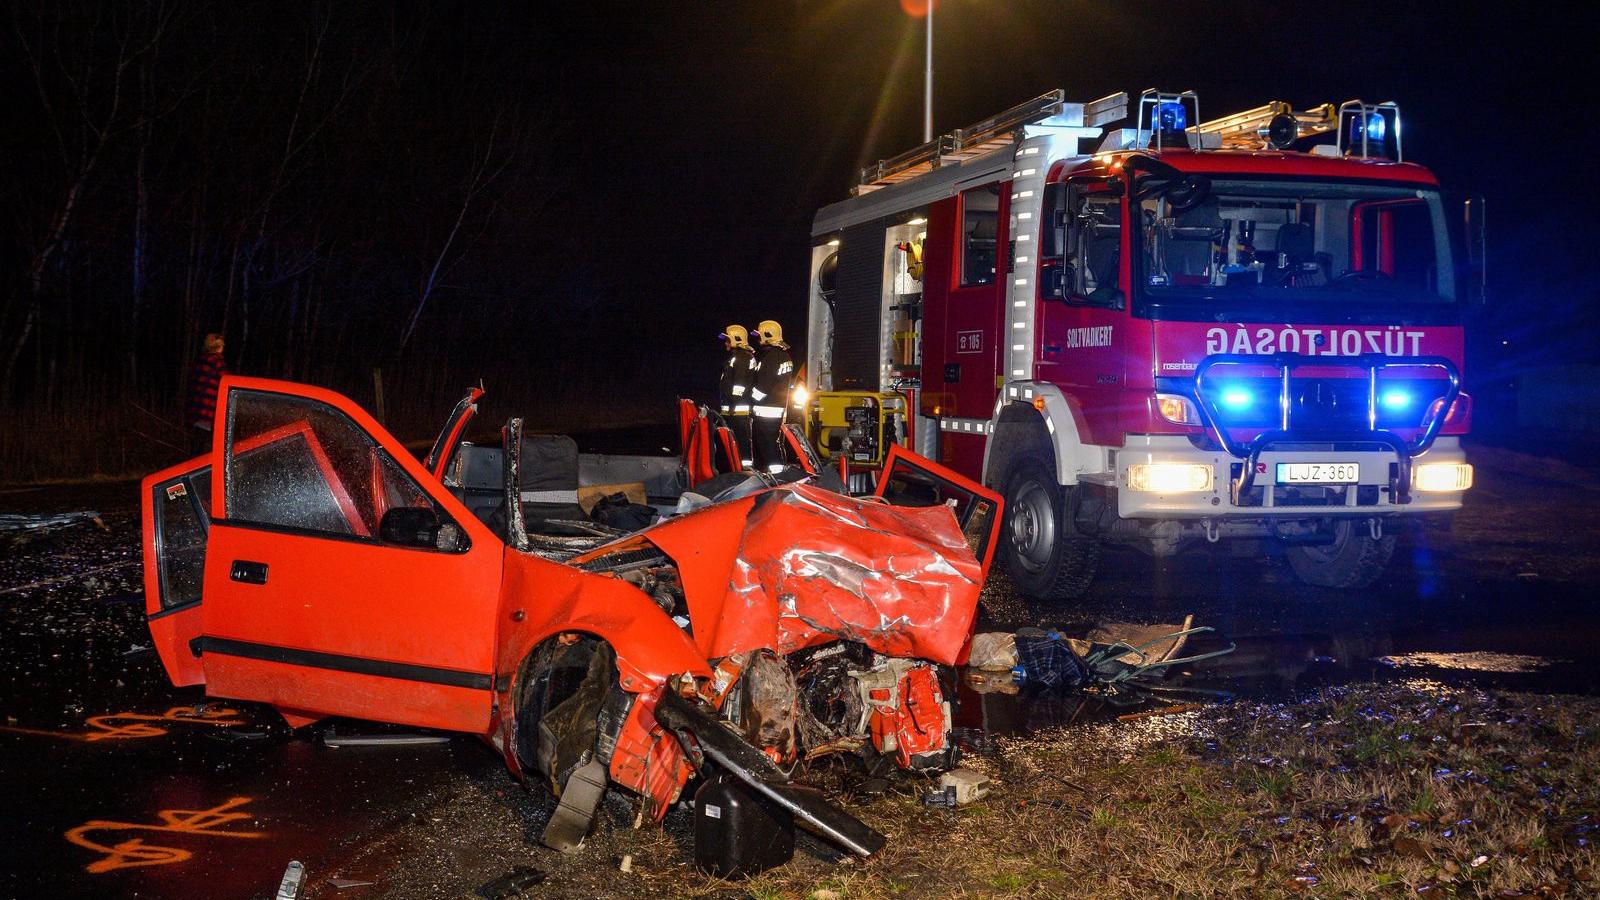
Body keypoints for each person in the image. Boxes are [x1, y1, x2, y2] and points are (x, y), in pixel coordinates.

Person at [749, 319, 794, 473]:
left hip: (766, 410)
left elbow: (763, 386)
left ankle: (777, 478)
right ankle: (780, 474)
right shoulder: (783, 356)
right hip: (776, 409)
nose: (758, 338)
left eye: (760, 335)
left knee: (768, 446)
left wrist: (750, 401)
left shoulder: (771, 358)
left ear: (768, 335)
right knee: (774, 444)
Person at [717, 324, 755, 469]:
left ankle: (745, 470)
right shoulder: (738, 357)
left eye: (728, 340)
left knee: (741, 441)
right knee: (734, 442)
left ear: (736, 340)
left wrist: (733, 403)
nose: (726, 343)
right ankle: (736, 467)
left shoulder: (743, 358)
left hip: (738, 411)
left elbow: (739, 385)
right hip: (732, 410)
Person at [185, 333, 227, 456]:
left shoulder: (200, 363)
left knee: (196, 442)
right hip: (210, 411)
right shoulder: (218, 364)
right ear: (218, 347)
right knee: (204, 446)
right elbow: (225, 383)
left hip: (196, 410)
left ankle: (191, 468)